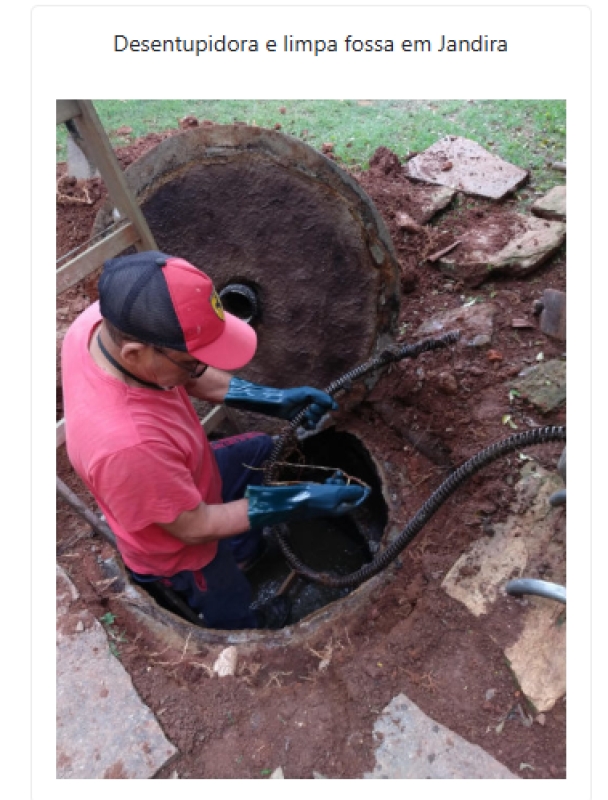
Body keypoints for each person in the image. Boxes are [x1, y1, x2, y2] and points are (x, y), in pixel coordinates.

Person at [61, 251, 369, 630]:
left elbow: (186, 373)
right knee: (227, 597)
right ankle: (249, 623)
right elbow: (195, 526)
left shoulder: (102, 324)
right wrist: (299, 500)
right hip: (183, 549)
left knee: (260, 450)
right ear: (135, 354)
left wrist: (274, 400)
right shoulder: (128, 447)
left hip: (180, 474)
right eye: (193, 362)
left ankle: (243, 550)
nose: (201, 368)